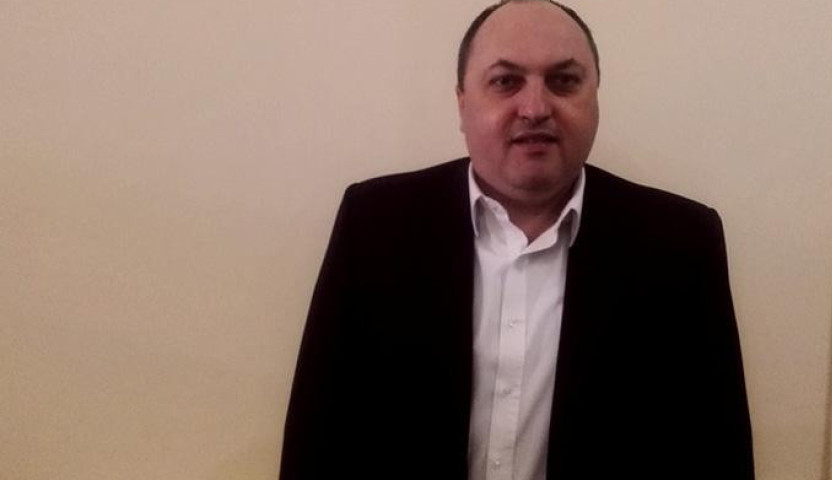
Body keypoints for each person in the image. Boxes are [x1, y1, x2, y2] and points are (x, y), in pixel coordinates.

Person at [280, 1, 754, 479]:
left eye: (563, 81)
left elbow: (717, 449)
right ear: (462, 103)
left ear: (595, 99)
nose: (535, 108)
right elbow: (317, 438)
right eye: (506, 81)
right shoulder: (374, 224)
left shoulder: (681, 244)